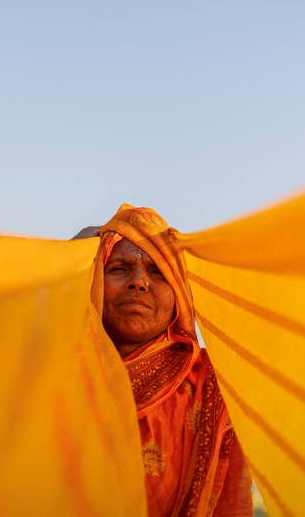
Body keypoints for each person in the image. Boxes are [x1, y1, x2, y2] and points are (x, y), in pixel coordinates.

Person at [82, 204, 253, 516]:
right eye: (118, 268)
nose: (138, 282)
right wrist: (74, 258)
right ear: (93, 281)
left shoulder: (215, 388)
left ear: (179, 295)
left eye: (158, 272)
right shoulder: (52, 370)